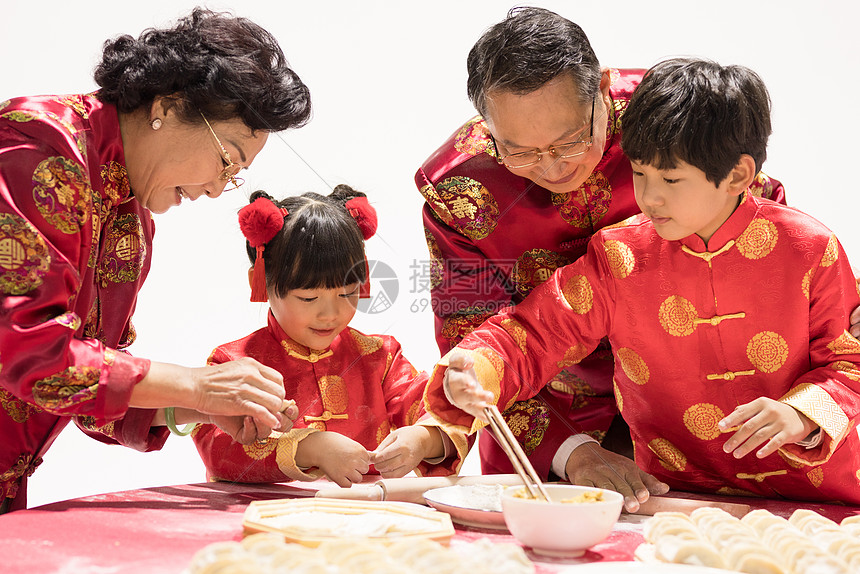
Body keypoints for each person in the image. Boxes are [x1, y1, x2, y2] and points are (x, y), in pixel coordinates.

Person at [427, 57, 860, 510]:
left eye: (670, 179)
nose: (649, 197)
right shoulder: (619, 257)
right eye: (638, 173)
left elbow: (848, 363)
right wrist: (478, 367)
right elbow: (535, 333)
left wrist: (800, 412)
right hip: (679, 499)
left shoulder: (810, 248)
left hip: (820, 499)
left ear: (737, 175)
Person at [415, 6, 789, 482]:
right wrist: (572, 453)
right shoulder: (459, 189)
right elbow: (471, 345)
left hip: (697, 391)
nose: (552, 168)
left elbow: (751, 208)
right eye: (521, 152)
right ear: (487, 124)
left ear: (603, 90)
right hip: (551, 407)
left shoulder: (662, 114)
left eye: (571, 141)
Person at [0, 7, 311, 512]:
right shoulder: (40, 145)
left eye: (233, 174)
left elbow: (88, 389)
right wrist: (197, 385)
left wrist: (197, 406)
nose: (217, 188)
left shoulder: (131, 219)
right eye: (227, 158)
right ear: (167, 106)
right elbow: (30, 353)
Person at [192, 186, 463, 488]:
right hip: (269, 520)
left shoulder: (380, 357)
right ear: (262, 282)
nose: (330, 314)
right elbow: (216, 446)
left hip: (369, 520)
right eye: (309, 297)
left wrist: (423, 439)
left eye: (347, 293)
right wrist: (308, 449)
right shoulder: (236, 364)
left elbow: (438, 412)